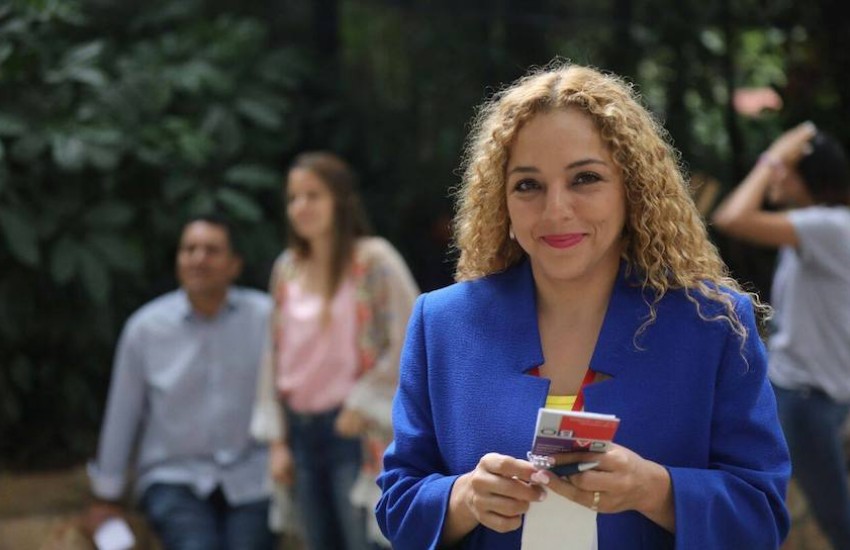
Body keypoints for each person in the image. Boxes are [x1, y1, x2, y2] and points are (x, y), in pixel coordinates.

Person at [376, 62, 792, 549]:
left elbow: (761, 513)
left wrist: (653, 488)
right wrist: (464, 498)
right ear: (501, 200)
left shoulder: (714, 324)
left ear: (632, 189)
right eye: (528, 185)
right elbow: (397, 505)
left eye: (585, 178)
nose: (556, 210)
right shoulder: (442, 324)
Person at [250, 151, 419, 549]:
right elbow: (273, 357)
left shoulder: (373, 260)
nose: (301, 207)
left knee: (362, 539)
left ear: (340, 200)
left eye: (313, 195)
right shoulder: (287, 267)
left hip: (355, 432)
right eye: (293, 198)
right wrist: (276, 440)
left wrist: (363, 401)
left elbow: (411, 336)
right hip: (300, 431)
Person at [86, 214, 276, 550]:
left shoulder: (267, 318)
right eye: (189, 250)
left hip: (253, 474)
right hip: (173, 477)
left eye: (211, 250)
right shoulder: (145, 329)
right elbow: (122, 413)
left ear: (234, 265)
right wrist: (107, 496)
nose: (198, 259)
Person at [712, 122, 850, 548]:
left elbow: (731, 217)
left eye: (782, 168)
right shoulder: (819, 230)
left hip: (803, 399)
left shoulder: (827, 225)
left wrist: (774, 152)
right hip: (803, 396)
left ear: (804, 175)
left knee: (835, 522)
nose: (773, 175)